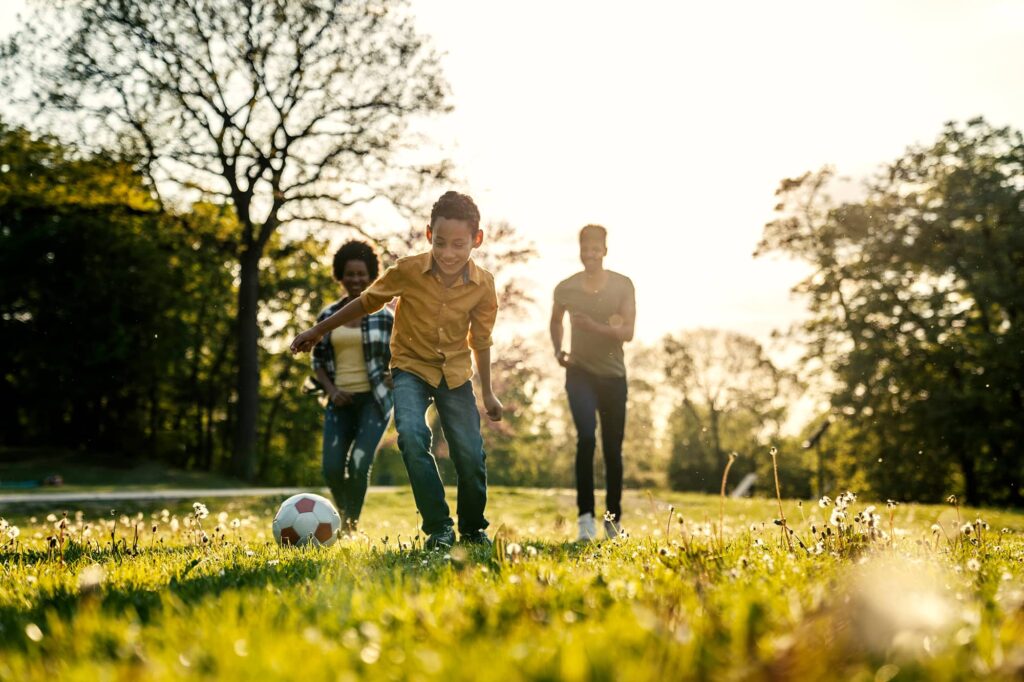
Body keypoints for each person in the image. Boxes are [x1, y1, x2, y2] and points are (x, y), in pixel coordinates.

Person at [291, 191, 502, 550]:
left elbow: (480, 340)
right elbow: (367, 302)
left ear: (476, 240)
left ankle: (471, 528)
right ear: (428, 235)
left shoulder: (483, 286)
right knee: (411, 435)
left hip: (455, 374)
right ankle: (438, 527)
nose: (449, 253)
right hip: (410, 369)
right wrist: (319, 330)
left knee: (470, 454)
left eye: (459, 244)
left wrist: (489, 392)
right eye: (441, 242)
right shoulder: (407, 270)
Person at [550, 224, 635, 541]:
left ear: (605, 249)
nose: (591, 253)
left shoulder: (623, 285)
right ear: (580, 250)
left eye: (596, 248)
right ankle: (585, 518)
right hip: (580, 374)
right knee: (586, 439)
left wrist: (594, 327)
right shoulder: (565, 288)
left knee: (613, 450)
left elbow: (628, 332)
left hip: (613, 377)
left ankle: (612, 521)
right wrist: (559, 350)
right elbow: (555, 321)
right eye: (586, 247)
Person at [311, 240, 394, 533]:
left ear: (372, 276)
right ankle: (344, 515)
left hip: (375, 401)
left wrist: (394, 375)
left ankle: (349, 527)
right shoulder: (327, 316)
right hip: (339, 401)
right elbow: (317, 360)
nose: (356, 279)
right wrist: (332, 391)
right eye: (350, 273)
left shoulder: (385, 316)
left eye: (362, 274)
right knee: (332, 468)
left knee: (359, 463)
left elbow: (405, 354)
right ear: (340, 276)